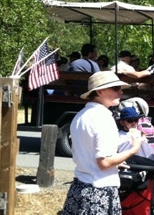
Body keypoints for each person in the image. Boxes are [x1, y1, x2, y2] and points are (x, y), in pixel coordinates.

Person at [61, 71, 143, 215]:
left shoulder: (80, 116)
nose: (121, 91)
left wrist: (116, 162)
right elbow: (104, 162)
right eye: (116, 88)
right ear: (100, 91)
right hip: (99, 190)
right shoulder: (103, 117)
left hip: (79, 186)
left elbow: (89, 154)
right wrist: (133, 150)